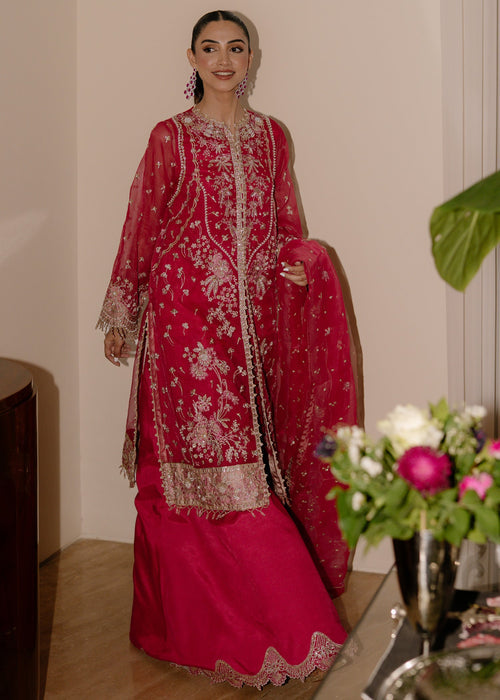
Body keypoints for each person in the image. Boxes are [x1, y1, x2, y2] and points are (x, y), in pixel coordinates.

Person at [97, 10, 356, 688]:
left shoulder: (272, 136)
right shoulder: (171, 137)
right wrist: (123, 312)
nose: (222, 59)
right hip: (183, 328)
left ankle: (230, 624)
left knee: (247, 471)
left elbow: (285, 223)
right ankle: (244, 627)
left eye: (235, 48)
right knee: (206, 473)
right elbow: (141, 223)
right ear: (191, 57)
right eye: (209, 48)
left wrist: (299, 262)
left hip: (250, 328)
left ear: (251, 58)